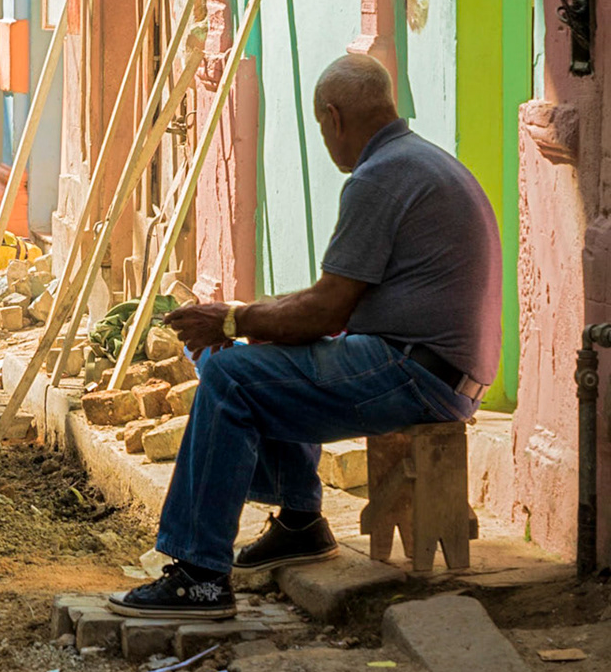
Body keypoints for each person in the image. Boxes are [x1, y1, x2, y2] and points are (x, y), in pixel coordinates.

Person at [109, 55, 501, 620]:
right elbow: (331, 306)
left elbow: (325, 310)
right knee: (265, 357)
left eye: (321, 128)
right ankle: (300, 521)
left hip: (417, 371)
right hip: (439, 367)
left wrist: (230, 322)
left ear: (333, 118)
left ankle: (198, 573)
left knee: (228, 376)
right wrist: (250, 323)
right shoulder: (417, 160)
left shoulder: (379, 177)